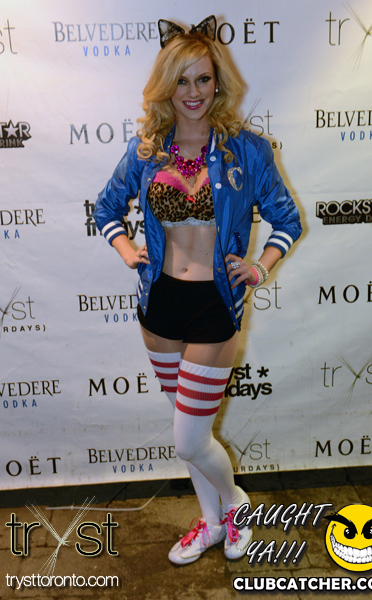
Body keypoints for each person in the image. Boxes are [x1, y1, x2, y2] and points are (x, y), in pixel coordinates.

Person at [94, 15, 302, 565]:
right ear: (167, 85)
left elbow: (286, 218)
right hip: (159, 305)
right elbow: (107, 207)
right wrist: (127, 250)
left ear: (218, 82)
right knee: (190, 427)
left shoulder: (246, 151)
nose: (193, 92)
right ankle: (212, 523)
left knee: (188, 439)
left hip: (215, 304)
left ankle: (235, 504)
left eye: (203, 79)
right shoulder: (147, 150)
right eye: (181, 80)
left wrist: (260, 267)